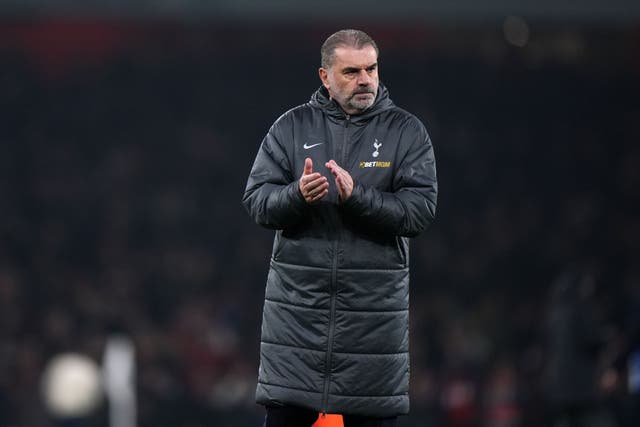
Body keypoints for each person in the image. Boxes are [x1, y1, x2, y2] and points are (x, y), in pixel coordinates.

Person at [242, 29, 438, 427]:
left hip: (371, 331)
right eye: (351, 71)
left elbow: (420, 211)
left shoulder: (406, 132)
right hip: (297, 327)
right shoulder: (291, 128)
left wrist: (358, 198)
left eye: (371, 68)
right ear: (325, 76)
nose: (365, 79)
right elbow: (257, 202)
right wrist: (297, 195)